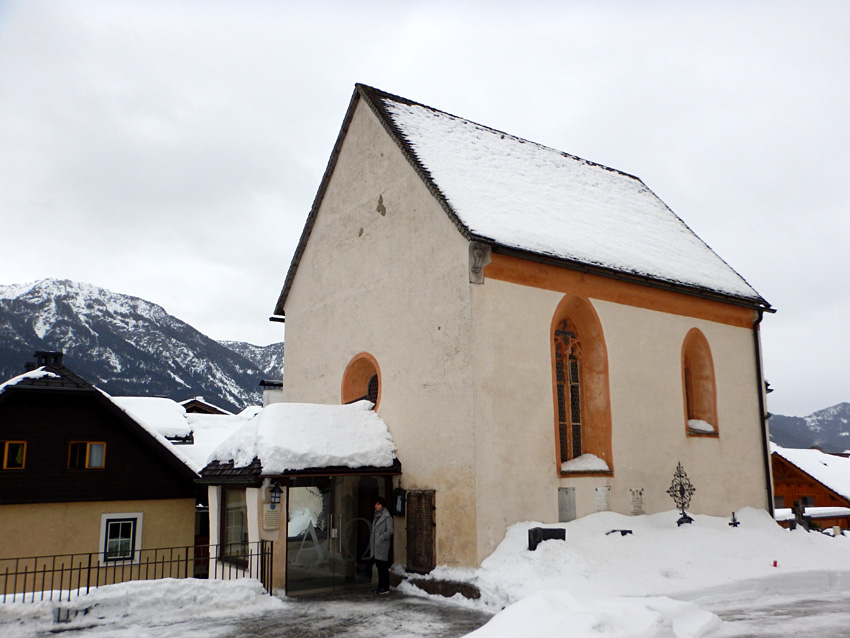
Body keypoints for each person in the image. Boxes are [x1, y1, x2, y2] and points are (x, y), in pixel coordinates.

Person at [370, 496, 393, 595]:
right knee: (379, 566)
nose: (376, 506)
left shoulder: (387, 517)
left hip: (382, 545)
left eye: (378, 504)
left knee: (383, 567)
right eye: (376, 504)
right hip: (377, 545)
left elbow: (390, 531)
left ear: (382, 505)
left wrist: (381, 537)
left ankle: (385, 587)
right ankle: (380, 586)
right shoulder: (376, 516)